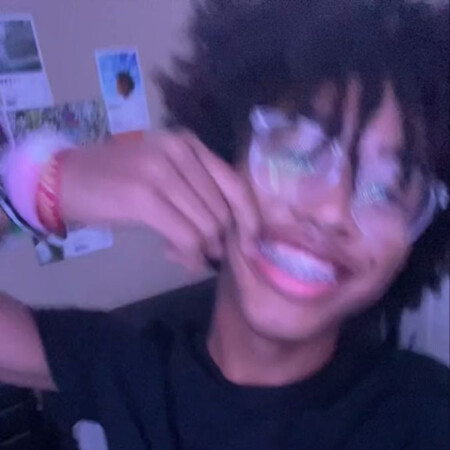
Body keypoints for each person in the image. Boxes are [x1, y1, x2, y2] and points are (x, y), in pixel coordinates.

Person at [0, 1, 449, 449]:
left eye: (386, 191)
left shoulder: (425, 417)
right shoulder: (127, 368)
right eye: (298, 154)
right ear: (220, 158)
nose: (331, 211)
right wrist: (35, 184)